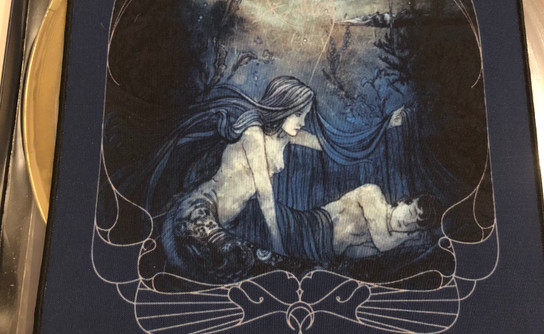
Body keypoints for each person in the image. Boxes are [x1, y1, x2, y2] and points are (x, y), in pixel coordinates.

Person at [160, 75, 409, 271]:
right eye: (299, 114)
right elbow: (265, 194)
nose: (303, 121)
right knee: (236, 266)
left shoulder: (286, 137)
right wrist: (278, 245)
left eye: (305, 115)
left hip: (230, 221)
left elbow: (333, 145)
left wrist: (384, 127)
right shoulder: (253, 134)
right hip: (203, 207)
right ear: (283, 107)